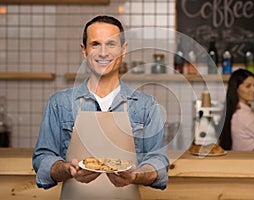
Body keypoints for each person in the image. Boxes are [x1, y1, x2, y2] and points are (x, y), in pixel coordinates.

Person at [32, 15, 169, 199]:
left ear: (124, 49)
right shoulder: (59, 103)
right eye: (95, 44)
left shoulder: (146, 105)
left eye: (111, 44)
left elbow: (159, 162)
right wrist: (67, 169)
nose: (103, 52)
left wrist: (136, 175)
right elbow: (42, 159)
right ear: (84, 50)